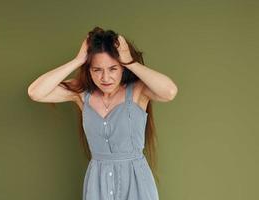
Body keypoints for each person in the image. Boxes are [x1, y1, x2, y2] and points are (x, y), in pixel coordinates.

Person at [27, 26, 178, 200]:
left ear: (122, 68)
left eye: (113, 69)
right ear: (89, 69)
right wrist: (78, 60)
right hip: (98, 183)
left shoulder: (137, 91)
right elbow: (35, 92)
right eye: (97, 70)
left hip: (136, 183)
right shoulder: (82, 94)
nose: (105, 78)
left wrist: (130, 61)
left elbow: (170, 91)